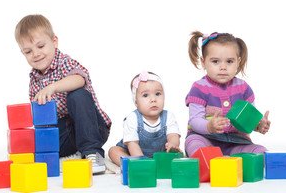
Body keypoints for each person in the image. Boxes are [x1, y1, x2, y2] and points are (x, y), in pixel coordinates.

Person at [185, 31, 286, 173]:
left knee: (259, 151)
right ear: (203, 62)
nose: (223, 67)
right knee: (193, 143)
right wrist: (209, 126)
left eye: (229, 61)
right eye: (215, 61)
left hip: (236, 142)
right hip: (206, 139)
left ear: (238, 62)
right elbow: (195, 120)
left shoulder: (243, 88)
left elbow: (248, 120)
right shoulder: (199, 88)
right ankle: (206, 166)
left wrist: (259, 125)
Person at [15, 14, 112, 174]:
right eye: (28, 51)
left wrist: (53, 87)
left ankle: (92, 152)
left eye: (40, 46)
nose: (36, 54)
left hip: (92, 128)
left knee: (78, 95)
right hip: (67, 132)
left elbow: (80, 79)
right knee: (39, 144)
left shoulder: (64, 62)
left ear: (54, 42)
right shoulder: (34, 78)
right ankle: (53, 155)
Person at [108, 71, 182, 166]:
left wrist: (173, 143)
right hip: (133, 153)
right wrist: (142, 163)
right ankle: (133, 166)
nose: (153, 99)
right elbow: (132, 144)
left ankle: (156, 164)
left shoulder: (168, 116)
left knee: (177, 155)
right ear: (136, 102)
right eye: (145, 95)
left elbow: (173, 135)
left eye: (158, 94)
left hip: (159, 154)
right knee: (113, 151)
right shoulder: (132, 118)